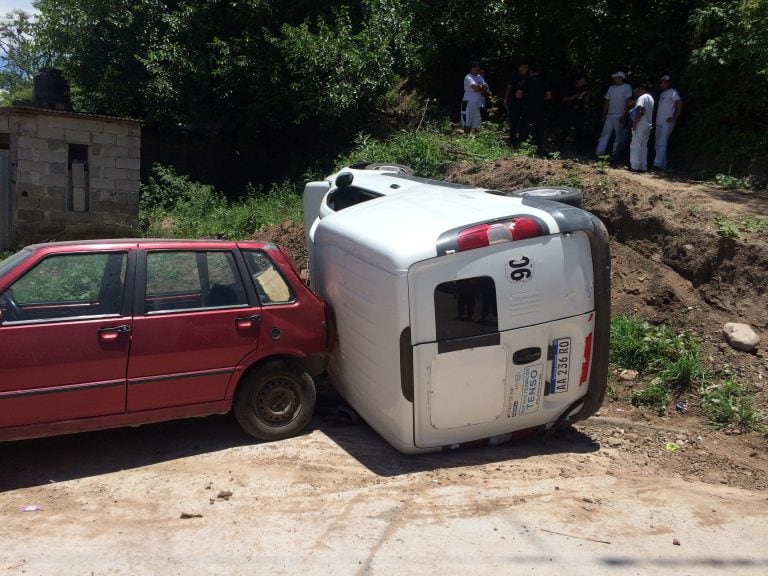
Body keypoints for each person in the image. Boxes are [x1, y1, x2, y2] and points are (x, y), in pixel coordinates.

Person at [595, 71, 633, 157]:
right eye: (614, 78)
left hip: (620, 114)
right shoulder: (611, 88)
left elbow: (628, 102)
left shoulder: (627, 87)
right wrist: (604, 114)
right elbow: (607, 102)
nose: (614, 79)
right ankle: (599, 153)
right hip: (610, 114)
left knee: (618, 136)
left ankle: (615, 155)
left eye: (616, 78)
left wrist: (624, 114)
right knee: (605, 134)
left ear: (621, 78)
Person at [518, 63, 551, 152]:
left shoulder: (525, 81)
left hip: (527, 107)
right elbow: (548, 96)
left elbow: (518, 95)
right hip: (540, 108)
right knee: (539, 128)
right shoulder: (544, 81)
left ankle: (522, 147)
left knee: (525, 127)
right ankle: (539, 148)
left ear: (531, 71)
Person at [653, 75, 683, 171]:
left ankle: (657, 164)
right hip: (659, 122)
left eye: (665, 82)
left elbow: (679, 104)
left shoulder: (673, 92)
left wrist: (675, 117)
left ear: (669, 83)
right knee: (658, 143)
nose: (662, 84)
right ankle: (663, 165)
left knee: (662, 142)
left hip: (667, 122)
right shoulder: (662, 94)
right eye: (662, 82)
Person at [559, 74, 590, 153]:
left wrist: (587, 94)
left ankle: (580, 149)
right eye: (581, 81)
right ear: (577, 80)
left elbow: (587, 100)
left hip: (579, 112)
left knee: (579, 130)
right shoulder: (570, 87)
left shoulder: (585, 89)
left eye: (584, 81)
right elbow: (564, 99)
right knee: (565, 129)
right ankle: (560, 146)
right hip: (568, 111)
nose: (583, 83)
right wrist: (575, 96)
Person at [629, 82, 655, 172]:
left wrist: (635, 123)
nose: (637, 92)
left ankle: (634, 166)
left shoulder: (642, 97)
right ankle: (643, 166)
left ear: (642, 89)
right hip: (648, 124)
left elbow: (640, 109)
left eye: (639, 90)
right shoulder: (651, 98)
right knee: (644, 145)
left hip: (641, 123)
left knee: (635, 144)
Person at [503, 61, 529, 146]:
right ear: (519, 68)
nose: (525, 69)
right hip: (514, 102)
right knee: (513, 122)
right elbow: (509, 87)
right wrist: (506, 99)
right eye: (523, 67)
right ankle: (512, 141)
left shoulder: (528, 77)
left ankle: (522, 141)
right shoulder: (514, 76)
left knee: (524, 123)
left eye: (526, 67)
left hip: (524, 103)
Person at [461, 61, 489, 135]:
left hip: (477, 102)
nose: (479, 68)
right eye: (477, 67)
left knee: (477, 123)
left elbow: (485, 88)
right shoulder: (468, 77)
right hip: (468, 102)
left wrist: (480, 87)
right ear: (472, 68)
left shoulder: (480, 77)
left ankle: (475, 141)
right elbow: (476, 88)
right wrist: (480, 87)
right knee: (468, 122)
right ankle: (466, 138)